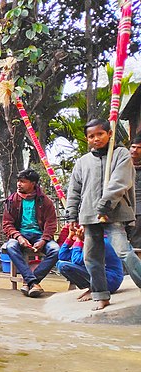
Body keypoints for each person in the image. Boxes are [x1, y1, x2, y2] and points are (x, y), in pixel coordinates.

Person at [66, 118, 141, 310]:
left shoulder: (120, 154)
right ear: (87, 139)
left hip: (114, 214)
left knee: (123, 251)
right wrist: (72, 216)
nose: (96, 139)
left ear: (109, 134)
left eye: (100, 134)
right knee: (91, 257)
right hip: (90, 216)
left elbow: (120, 182)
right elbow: (74, 191)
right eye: (91, 136)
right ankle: (101, 294)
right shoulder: (83, 162)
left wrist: (104, 206)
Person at [2, 168, 59, 297]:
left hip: (40, 235)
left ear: (33, 183)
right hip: (19, 235)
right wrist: (19, 237)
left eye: (23, 181)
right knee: (11, 246)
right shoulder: (12, 200)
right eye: (18, 181)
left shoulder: (45, 201)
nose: (19, 184)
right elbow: (7, 224)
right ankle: (33, 282)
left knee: (56, 250)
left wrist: (44, 240)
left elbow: (51, 224)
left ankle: (30, 281)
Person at [57, 224, 123, 300]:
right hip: (104, 279)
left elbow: (76, 260)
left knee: (64, 266)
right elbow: (62, 256)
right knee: (60, 263)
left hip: (110, 280)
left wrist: (79, 240)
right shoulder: (89, 241)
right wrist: (70, 237)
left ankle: (94, 290)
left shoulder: (100, 242)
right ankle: (92, 288)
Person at [129, 135, 141, 248]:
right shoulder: (121, 164)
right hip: (124, 208)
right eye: (133, 147)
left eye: (138, 147)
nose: (135, 150)